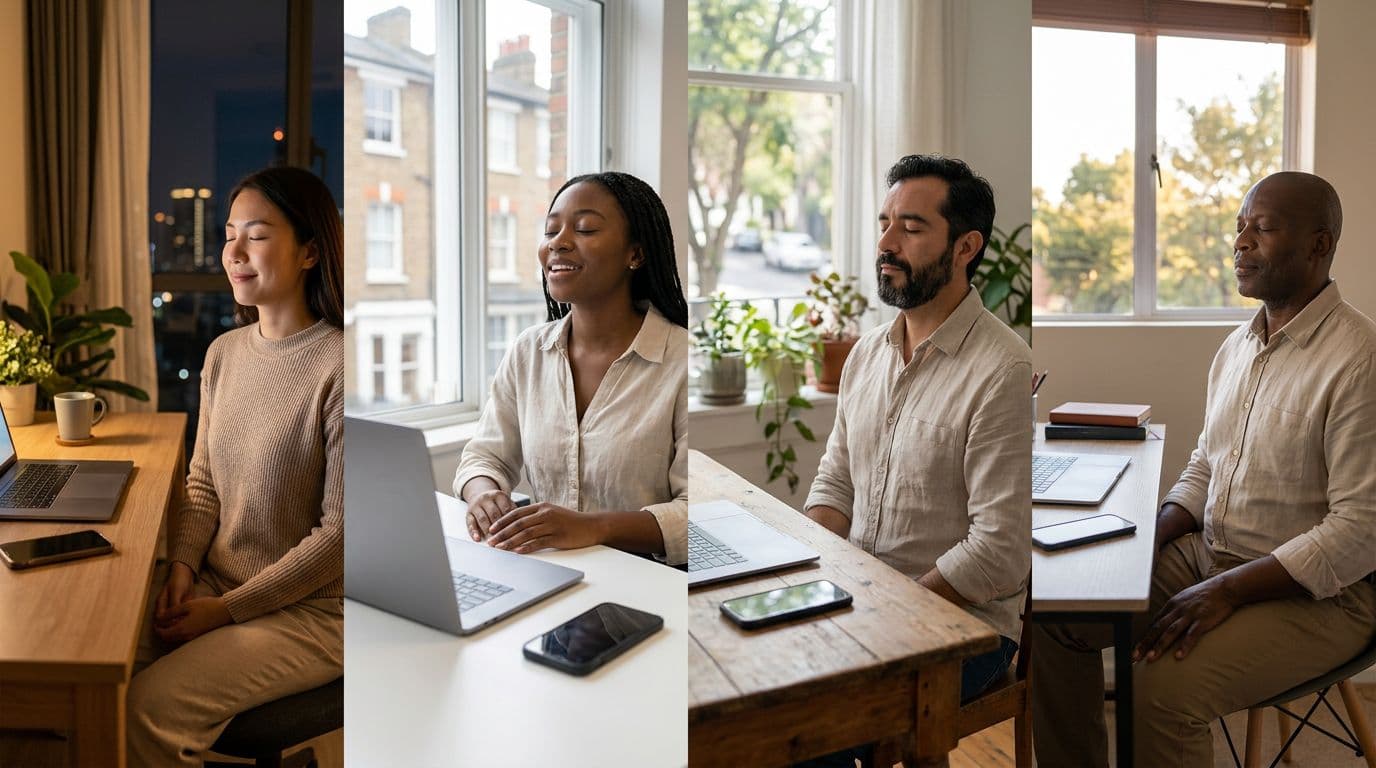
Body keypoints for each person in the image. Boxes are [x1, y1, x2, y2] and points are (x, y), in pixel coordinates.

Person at [1031, 171, 1376, 767]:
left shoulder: (1359, 359)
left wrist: (1228, 589)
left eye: (1262, 229)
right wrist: (1153, 533)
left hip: (1322, 595)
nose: (1240, 243)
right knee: (1055, 616)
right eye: (1239, 227)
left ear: (1320, 244)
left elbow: (1361, 531)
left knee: (1162, 693)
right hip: (1210, 556)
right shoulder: (1237, 347)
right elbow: (1205, 465)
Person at [799, 155, 1032, 767]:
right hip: (865, 603)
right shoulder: (866, 354)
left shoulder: (1001, 367)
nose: (886, 243)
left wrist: (887, 604)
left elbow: (1000, 548)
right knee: (753, 696)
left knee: (805, 729)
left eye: (911, 227)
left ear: (965, 246)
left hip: (966, 627)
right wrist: (811, 570)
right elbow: (834, 483)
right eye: (884, 223)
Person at [126, 166, 344, 765]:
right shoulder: (224, 353)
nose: (235, 252)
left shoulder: (340, 364)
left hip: (314, 611)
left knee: (149, 710)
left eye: (257, 234)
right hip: (219, 584)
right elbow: (202, 486)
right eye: (229, 235)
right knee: (98, 661)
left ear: (309, 252)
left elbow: (339, 538)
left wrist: (224, 611)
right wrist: (181, 567)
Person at [455, 171, 689, 566]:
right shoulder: (528, 351)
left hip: (652, 588)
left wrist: (594, 527)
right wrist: (483, 494)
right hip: (550, 578)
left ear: (636, 254)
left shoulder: (681, 360)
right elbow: (484, 457)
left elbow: (699, 512)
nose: (558, 244)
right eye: (550, 232)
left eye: (584, 229)